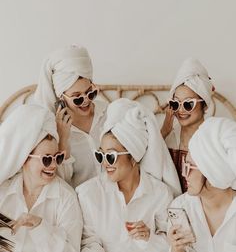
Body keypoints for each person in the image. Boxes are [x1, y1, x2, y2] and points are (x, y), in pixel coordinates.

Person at [77, 98, 181, 252]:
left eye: (111, 156)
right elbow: (88, 242)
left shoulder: (160, 194)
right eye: (101, 155)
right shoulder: (88, 194)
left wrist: (149, 238)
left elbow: (172, 244)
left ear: (133, 157)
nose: (105, 163)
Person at [0, 104, 83, 252]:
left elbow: (72, 250)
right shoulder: (3, 192)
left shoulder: (66, 198)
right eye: (46, 159)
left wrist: (39, 227)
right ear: (25, 158)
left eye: (57, 158)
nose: (53, 165)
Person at [34, 44, 107, 187]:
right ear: (61, 97)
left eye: (90, 93)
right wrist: (64, 140)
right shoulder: (52, 132)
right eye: (77, 97)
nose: (86, 100)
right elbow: (62, 182)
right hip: (80, 203)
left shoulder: (109, 113)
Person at [168, 117, 236, 252]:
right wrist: (176, 250)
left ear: (212, 171)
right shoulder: (181, 207)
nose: (183, 174)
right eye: (183, 165)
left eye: (189, 167)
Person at [161, 58, 214, 192]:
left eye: (188, 104)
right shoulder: (167, 137)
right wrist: (163, 132)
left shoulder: (213, 139)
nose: (181, 110)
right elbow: (146, 172)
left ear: (204, 105)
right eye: (175, 104)